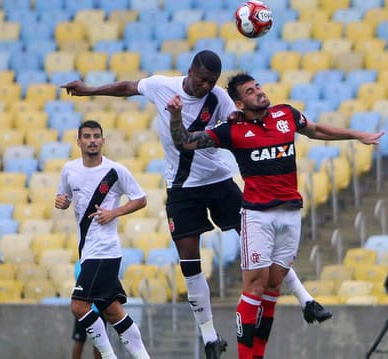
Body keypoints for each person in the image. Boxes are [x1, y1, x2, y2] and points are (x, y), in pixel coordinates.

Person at [61, 50, 332, 358]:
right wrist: (90, 90)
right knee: (190, 262)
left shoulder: (219, 98)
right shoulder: (164, 86)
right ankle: (210, 337)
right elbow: (127, 88)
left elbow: (241, 119)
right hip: (181, 190)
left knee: (256, 240)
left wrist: (238, 118)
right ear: (190, 71)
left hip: (218, 182)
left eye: (212, 82)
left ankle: (306, 298)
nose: (206, 86)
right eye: (202, 80)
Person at [165, 72, 384, 359]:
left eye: (257, 87)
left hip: (291, 213)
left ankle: (257, 355)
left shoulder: (286, 114)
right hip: (257, 217)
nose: (258, 92)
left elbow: (316, 130)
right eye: (250, 91)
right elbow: (186, 142)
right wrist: (175, 116)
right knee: (254, 286)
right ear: (239, 104)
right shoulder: (232, 130)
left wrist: (357, 135)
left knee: (272, 288)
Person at [55, 120, 151, 359]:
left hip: (105, 250)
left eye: (96, 136)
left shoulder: (115, 171)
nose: (92, 140)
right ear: (79, 142)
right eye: (87, 136)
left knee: (78, 306)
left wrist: (114, 212)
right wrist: (63, 202)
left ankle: (109, 357)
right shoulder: (69, 170)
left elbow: (141, 199)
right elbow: (63, 196)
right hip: (87, 251)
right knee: (112, 310)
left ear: (103, 141)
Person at [72, 261, 103, 359]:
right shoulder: (81, 263)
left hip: (96, 309)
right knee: (80, 340)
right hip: (84, 309)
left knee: (99, 343)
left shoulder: (99, 262)